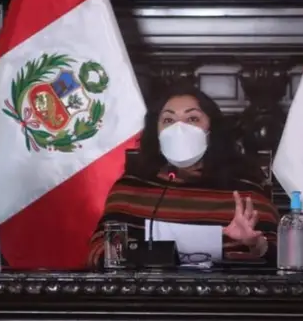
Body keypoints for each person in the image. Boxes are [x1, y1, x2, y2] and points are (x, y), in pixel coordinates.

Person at [87, 84, 279, 267]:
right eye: (168, 120)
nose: (179, 128)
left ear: (212, 130)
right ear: (156, 133)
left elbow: (281, 255)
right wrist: (145, 255)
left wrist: (256, 245)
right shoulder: (131, 188)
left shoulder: (244, 190)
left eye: (192, 119)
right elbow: (99, 252)